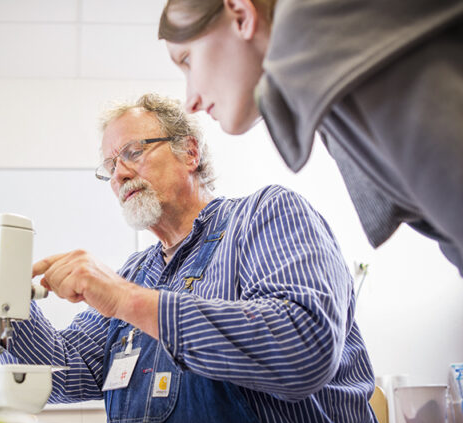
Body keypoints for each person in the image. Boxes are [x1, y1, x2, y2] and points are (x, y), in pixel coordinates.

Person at [0, 93, 376, 423]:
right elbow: (62, 373)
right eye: (109, 166)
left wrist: (130, 302)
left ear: (190, 151)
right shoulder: (136, 273)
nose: (119, 174)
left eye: (133, 152)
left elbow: (303, 346)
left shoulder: (265, 215)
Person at [158, 0, 463, 276]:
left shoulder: (346, 56)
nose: (191, 100)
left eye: (187, 59)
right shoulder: (335, 80)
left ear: (240, 15)